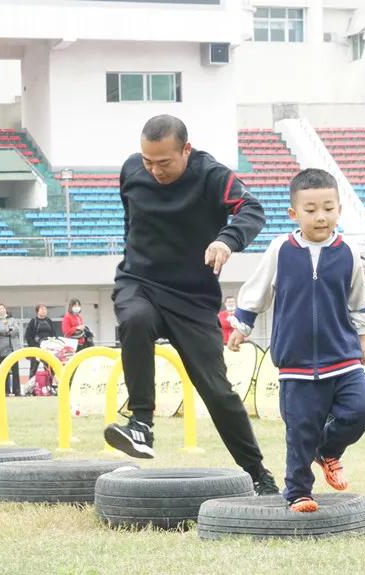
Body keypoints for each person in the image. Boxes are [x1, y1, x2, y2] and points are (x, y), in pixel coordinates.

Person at [104, 115, 278, 495]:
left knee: (217, 392)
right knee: (133, 320)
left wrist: (227, 240)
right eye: (148, 161)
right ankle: (141, 424)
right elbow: (132, 223)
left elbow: (252, 209)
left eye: (164, 162)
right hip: (141, 283)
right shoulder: (132, 171)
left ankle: (258, 474)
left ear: (186, 149)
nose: (154, 170)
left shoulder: (212, 175)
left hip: (192, 298)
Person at [227, 168, 365, 512]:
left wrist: (364, 339)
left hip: (343, 356)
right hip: (295, 363)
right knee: (300, 430)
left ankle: (328, 450)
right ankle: (298, 492)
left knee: (362, 409)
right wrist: (241, 326)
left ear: (339, 209)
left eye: (328, 208)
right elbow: (257, 291)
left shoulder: (349, 252)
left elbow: (357, 299)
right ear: (294, 213)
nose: (321, 217)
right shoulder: (281, 249)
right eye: (310, 210)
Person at [0, 303, 21, 397]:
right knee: (4, 370)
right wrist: (7, 330)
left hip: (13, 348)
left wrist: (7, 330)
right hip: (2, 349)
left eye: (3, 308)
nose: (2, 310)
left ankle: (17, 391)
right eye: (0, 309)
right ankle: (5, 390)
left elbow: (16, 330)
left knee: (15, 370)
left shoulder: (12, 319)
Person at [24, 304, 56, 386]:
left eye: (45, 309)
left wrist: (53, 344)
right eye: (41, 309)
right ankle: (30, 389)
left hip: (48, 349)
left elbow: (54, 334)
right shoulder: (33, 321)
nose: (43, 311)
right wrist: (34, 346)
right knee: (33, 370)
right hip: (36, 350)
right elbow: (27, 336)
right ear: (37, 311)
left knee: (50, 369)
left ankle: (49, 386)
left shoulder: (49, 321)